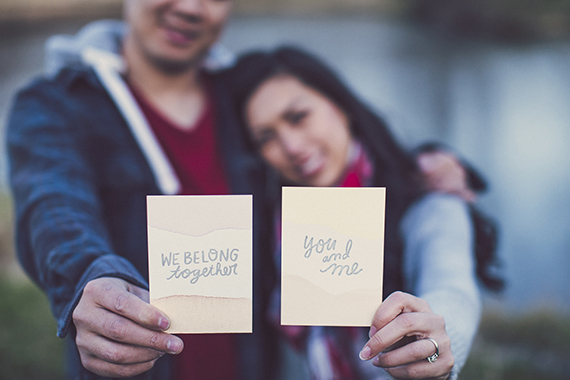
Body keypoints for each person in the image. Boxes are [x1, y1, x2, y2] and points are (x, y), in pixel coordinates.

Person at [7, 2, 489, 379]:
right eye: (270, 138)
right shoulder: (54, 105)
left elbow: (347, 147)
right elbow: (53, 208)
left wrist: (429, 159)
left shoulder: (237, 97)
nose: (192, 7)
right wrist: (87, 279)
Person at [225, 46, 503, 380]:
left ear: (340, 106)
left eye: (298, 117)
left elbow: (451, 286)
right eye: (266, 137)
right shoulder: (273, 217)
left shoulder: (427, 198)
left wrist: (437, 339)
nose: (292, 147)